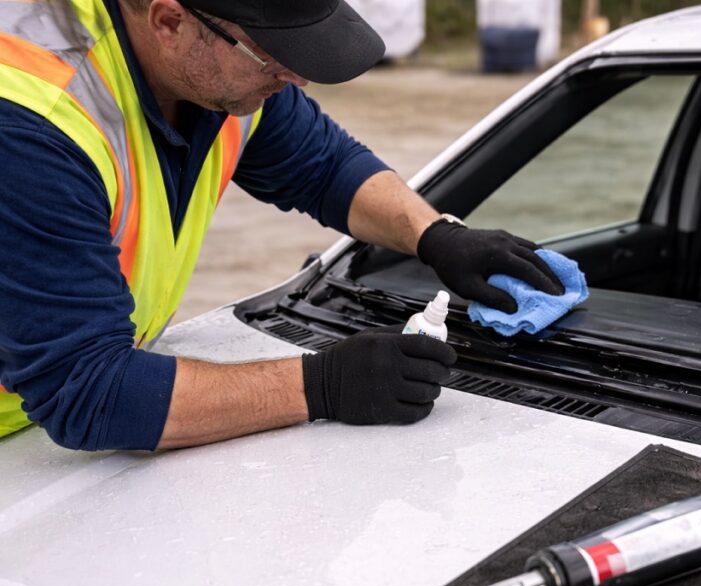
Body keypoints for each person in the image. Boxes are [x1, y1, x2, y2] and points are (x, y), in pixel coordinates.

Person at [0, 0, 563, 451]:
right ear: (169, 22)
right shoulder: (32, 123)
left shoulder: (207, 64)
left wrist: (437, 236)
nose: (296, 79)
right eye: (273, 59)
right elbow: (89, 392)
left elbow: (325, 167)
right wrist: (320, 386)